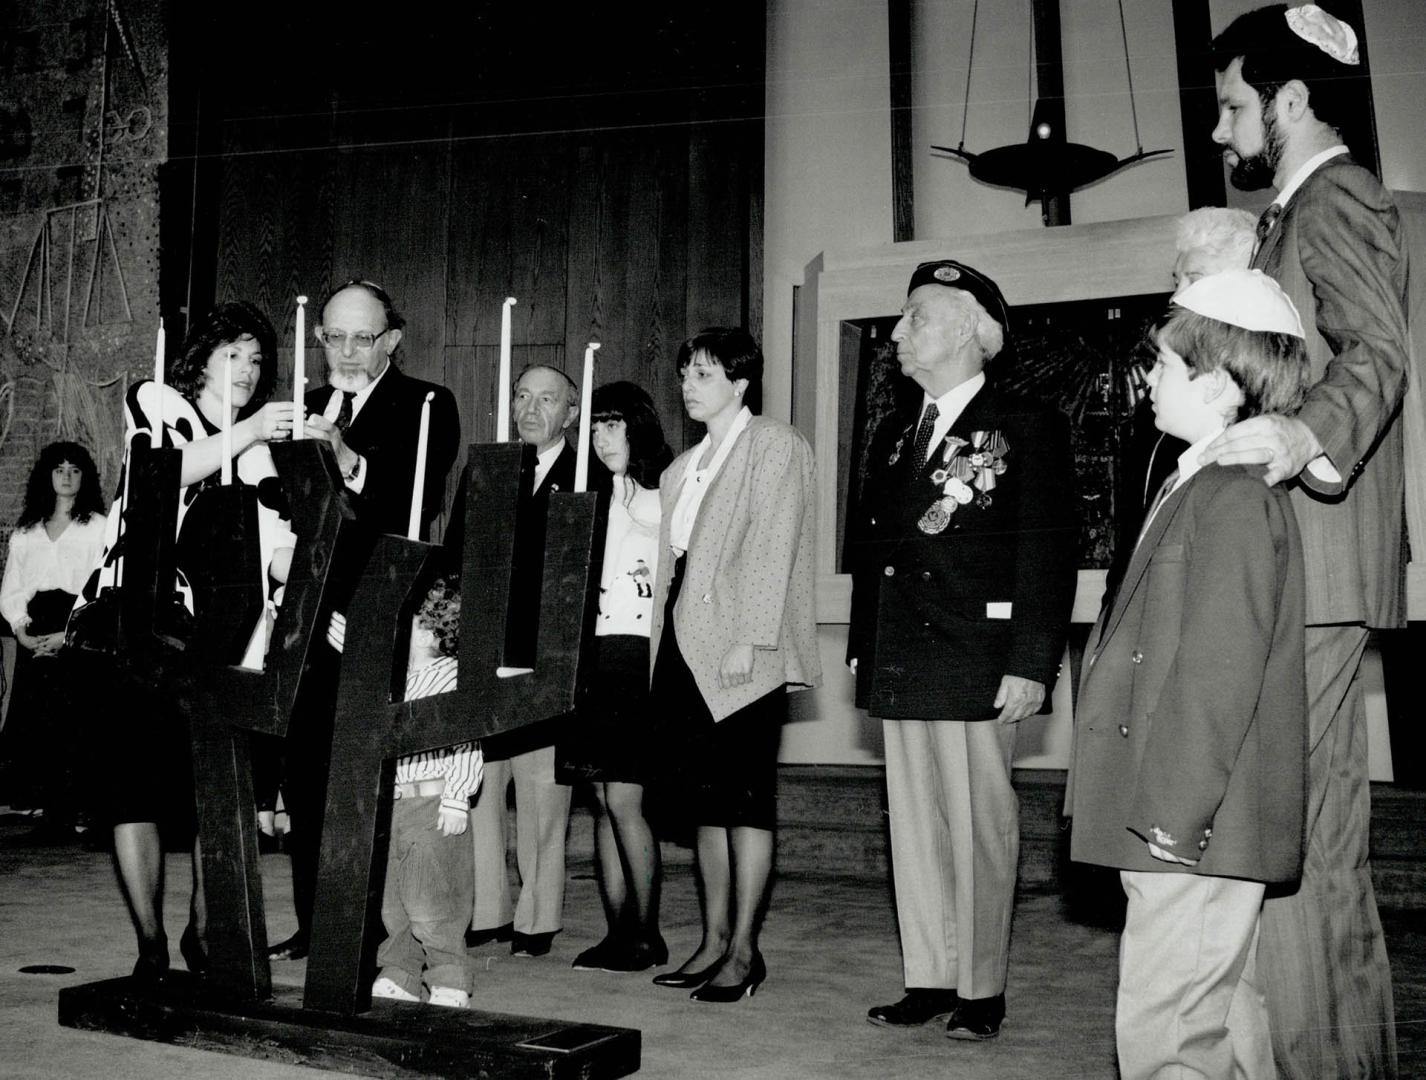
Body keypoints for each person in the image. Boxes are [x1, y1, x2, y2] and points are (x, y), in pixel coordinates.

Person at [1208, 8, 1409, 1075]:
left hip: (1316, 561)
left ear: (1290, 102)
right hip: (1311, 569)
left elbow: (1377, 350)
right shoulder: (1290, 214)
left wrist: (1301, 432)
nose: (1221, 128)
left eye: (1234, 104)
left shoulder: (1334, 197)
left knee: (1285, 844)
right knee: (1319, 850)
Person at [1070, 269, 1311, 1079]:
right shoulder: (1198, 482)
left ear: (1216, 382)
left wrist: (1172, 820)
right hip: (1191, 822)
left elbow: (1219, 674)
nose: (1147, 381)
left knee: (1168, 1039)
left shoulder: (1235, 498)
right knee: (1223, 1026)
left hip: (1190, 824)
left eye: (1166, 366)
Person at [849, 260, 1077, 1040]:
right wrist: (862, 645)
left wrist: (1032, 661)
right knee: (912, 824)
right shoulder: (893, 432)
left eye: (918, 316)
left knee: (981, 825)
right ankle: (930, 975)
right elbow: (874, 547)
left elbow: (1047, 553)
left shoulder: (1026, 423)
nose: (900, 332)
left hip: (979, 654)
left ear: (977, 331)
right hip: (904, 655)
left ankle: (982, 988)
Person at [74, 300, 296, 982]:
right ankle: (150, 946)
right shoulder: (158, 401)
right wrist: (249, 430)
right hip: (131, 617)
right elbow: (162, 479)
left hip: (208, 637)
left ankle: (206, 932)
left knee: (211, 791)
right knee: (132, 792)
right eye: (235, 354)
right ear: (202, 358)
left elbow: (277, 538)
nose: (249, 370)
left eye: (259, 360)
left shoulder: (256, 450)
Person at [269, 278, 462, 962]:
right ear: (318, 340)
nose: (347, 351)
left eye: (362, 337)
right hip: (303, 614)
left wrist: (345, 457)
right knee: (306, 770)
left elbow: (414, 494)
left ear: (392, 340)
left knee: (367, 776)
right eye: (334, 337)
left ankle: (368, 930)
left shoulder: (426, 404)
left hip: (379, 608)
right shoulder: (303, 406)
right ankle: (315, 921)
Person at [647, 327, 820, 1003]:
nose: (690, 384)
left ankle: (745, 951)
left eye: (706, 374)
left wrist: (752, 637)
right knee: (705, 803)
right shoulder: (680, 466)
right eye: (686, 372)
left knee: (745, 801)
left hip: (742, 642)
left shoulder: (773, 445)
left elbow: (775, 545)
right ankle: (714, 939)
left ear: (741, 383)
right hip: (685, 642)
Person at [556, 381, 673, 973]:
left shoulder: (666, 495)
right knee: (601, 799)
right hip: (592, 655)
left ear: (640, 427)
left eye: (615, 424)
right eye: (596, 426)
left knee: (626, 798)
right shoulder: (591, 497)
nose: (603, 437)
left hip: (636, 656)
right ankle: (618, 931)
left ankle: (648, 933)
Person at [467, 364, 579, 958]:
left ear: (571, 413)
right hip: (487, 648)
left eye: (548, 399)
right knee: (483, 784)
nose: (532, 408)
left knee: (541, 788)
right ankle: (489, 908)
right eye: (522, 396)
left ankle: (539, 913)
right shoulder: (487, 469)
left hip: (547, 651)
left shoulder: (585, 476)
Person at [1117, 207, 1258, 558]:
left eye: (1194, 279)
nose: (1176, 297)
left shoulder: (1262, 409)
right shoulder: (1156, 406)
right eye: (1176, 280)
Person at [372, 577, 483, 1010]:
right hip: (393, 802)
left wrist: (457, 795)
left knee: (430, 899)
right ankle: (399, 971)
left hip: (432, 802)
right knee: (393, 900)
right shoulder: (395, 677)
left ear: (428, 628)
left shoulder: (451, 677)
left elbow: (468, 737)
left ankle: (449, 976)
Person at [0, 441, 107, 834]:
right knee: (38, 717)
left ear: (85, 477)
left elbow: (102, 585)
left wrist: (71, 633)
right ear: (47, 475)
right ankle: (48, 809)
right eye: (59, 468)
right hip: (36, 625)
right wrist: (21, 629)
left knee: (78, 716)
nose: (66, 476)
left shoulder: (98, 526)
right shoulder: (26, 531)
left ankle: (81, 808)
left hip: (79, 625)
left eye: (75, 469)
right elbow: (12, 586)